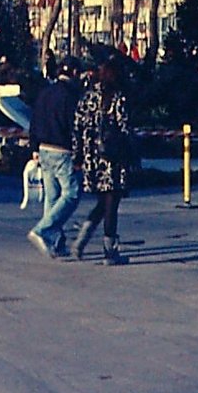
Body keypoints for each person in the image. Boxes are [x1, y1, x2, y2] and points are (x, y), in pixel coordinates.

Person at [71, 59, 137, 264]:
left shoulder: (87, 98)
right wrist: (133, 154)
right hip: (113, 160)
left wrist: (78, 156)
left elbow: (77, 128)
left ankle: (81, 241)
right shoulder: (118, 99)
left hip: (92, 159)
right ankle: (109, 251)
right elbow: (125, 129)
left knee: (103, 202)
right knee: (111, 204)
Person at [23, 62, 82, 259]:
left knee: (52, 196)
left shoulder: (45, 93)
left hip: (43, 148)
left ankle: (55, 242)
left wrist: (34, 147)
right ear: (73, 73)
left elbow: (34, 121)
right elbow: (75, 126)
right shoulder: (71, 97)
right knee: (71, 193)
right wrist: (79, 153)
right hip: (62, 149)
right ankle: (43, 230)